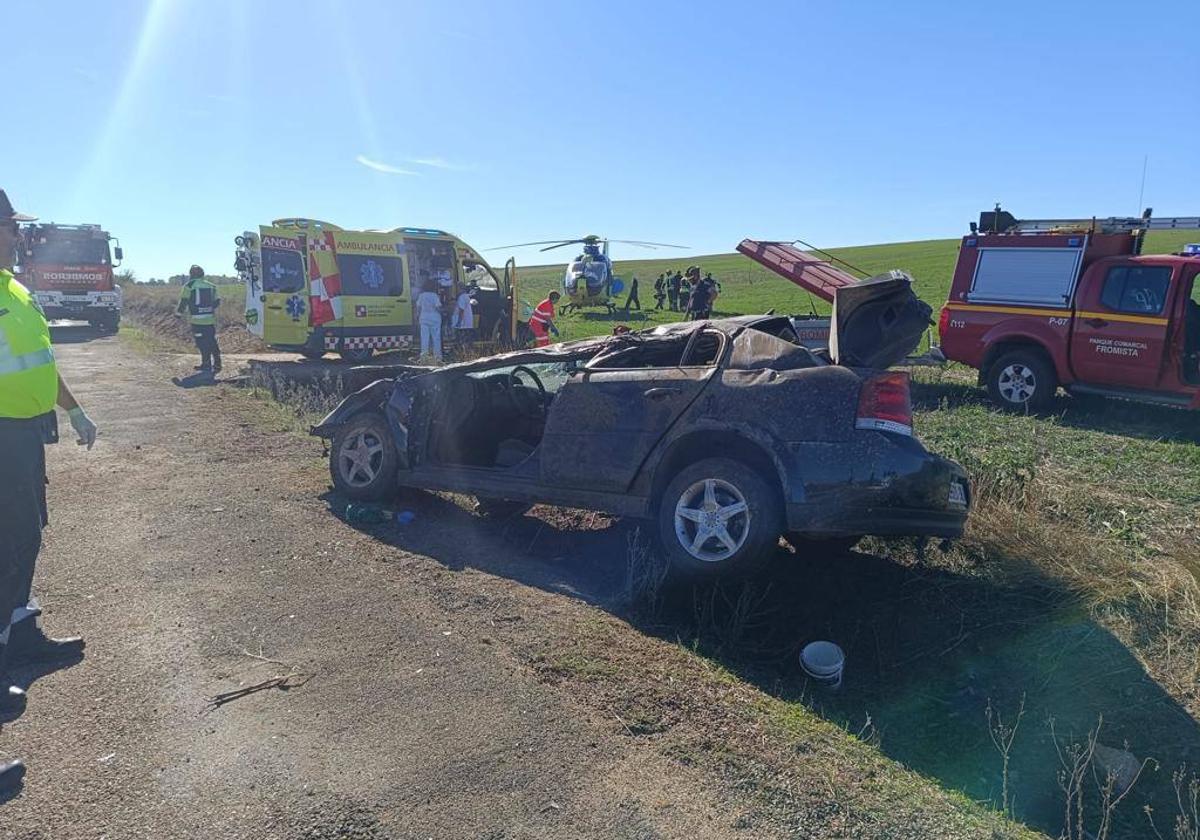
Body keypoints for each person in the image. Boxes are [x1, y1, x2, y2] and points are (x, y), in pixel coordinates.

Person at [0, 190, 97, 791]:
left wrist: (76, 409)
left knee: (24, 542)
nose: (19, 234)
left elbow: (37, 362)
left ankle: (21, 635)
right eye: (11, 225)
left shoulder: (13, 288)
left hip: (25, 437)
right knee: (6, 550)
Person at [175, 265, 221, 373]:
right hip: (210, 320)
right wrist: (209, 309)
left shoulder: (190, 285)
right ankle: (217, 364)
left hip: (197, 321)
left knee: (201, 343)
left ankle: (206, 364)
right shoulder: (211, 286)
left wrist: (178, 314)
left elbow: (184, 301)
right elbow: (218, 301)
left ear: (191, 275)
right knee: (212, 341)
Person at [415, 281, 443, 362]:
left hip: (423, 318)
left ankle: (424, 357)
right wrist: (443, 312)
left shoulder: (421, 296)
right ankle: (437, 358)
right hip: (435, 318)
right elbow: (438, 307)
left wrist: (417, 316)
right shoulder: (434, 296)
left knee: (424, 338)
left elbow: (418, 308)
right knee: (436, 338)